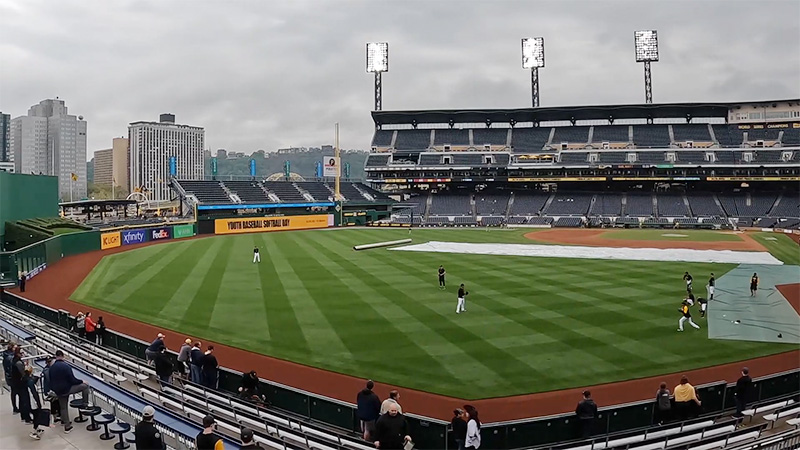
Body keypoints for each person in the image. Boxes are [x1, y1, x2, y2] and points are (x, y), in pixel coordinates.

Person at [50, 350, 90, 433]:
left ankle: (66, 425)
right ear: (62, 356)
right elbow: (73, 380)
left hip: (58, 391)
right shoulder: (66, 366)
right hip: (67, 389)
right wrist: (82, 381)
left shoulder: (52, 367)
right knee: (85, 386)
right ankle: (85, 404)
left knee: (63, 407)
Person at [11, 347, 32, 423]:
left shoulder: (14, 361)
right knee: (25, 400)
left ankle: (23, 416)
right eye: (21, 353)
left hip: (17, 384)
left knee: (21, 400)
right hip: (21, 384)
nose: (22, 355)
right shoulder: (18, 363)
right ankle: (27, 418)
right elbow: (23, 374)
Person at [26, 367, 45, 440]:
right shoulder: (30, 383)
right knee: (36, 416)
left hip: (29, 402)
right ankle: (34, 431)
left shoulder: (26, 380)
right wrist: (38, 403)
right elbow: (34, 394)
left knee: (35, 416)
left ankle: (37, 428)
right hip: (33, 402)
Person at [2, 342, 18, 413]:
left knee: (13, 392)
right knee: (17, 392)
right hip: (13, 377)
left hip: (9, 377)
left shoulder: (6, 356)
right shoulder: (10, 357)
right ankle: (16, 407)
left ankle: (15, 407)